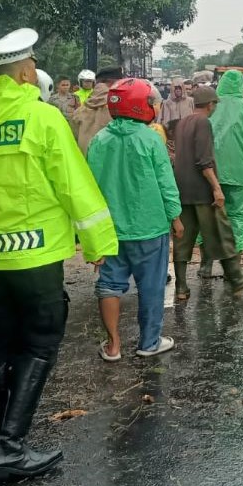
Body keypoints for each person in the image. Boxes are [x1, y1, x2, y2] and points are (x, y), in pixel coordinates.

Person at [0, 28, 118, 482]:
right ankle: (9, 446)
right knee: (39, 343)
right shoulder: (43, 119)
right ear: (26, 72)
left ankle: (6, 436)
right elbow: (74, 186)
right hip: (35, 261)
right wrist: (100, 243)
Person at [88, 78, 182, 361]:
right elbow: (166, 182)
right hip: (149, 227)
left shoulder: (99, 140)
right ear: (141, 107)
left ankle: (113, 345)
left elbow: (89, 186)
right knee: (151, 287)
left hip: (109, 229)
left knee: (109, 285)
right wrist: (175, 217)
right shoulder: (151, 138)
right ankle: (149, 343)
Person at [170, 86, 243, 301]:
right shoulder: (203, 122)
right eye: (214, 104)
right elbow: (204, 161)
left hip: (182, 188)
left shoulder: (182, 123)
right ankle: (237, 281)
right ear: (210, 105)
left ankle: (181, 287)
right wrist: (216, 188)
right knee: (221, 232)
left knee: (183, 237)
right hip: (201, 189)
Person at [204, 69, 243, 276]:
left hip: (210, 174)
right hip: (238, 174)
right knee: (237, 217)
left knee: (210, 216)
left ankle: (206, 264)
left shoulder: (211, 107)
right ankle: (234, 268)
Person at [72, 66, 124, 155]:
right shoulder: (121, 108)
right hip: (110, 162)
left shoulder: (79, 111)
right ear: (114, 83)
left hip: (84, 162)